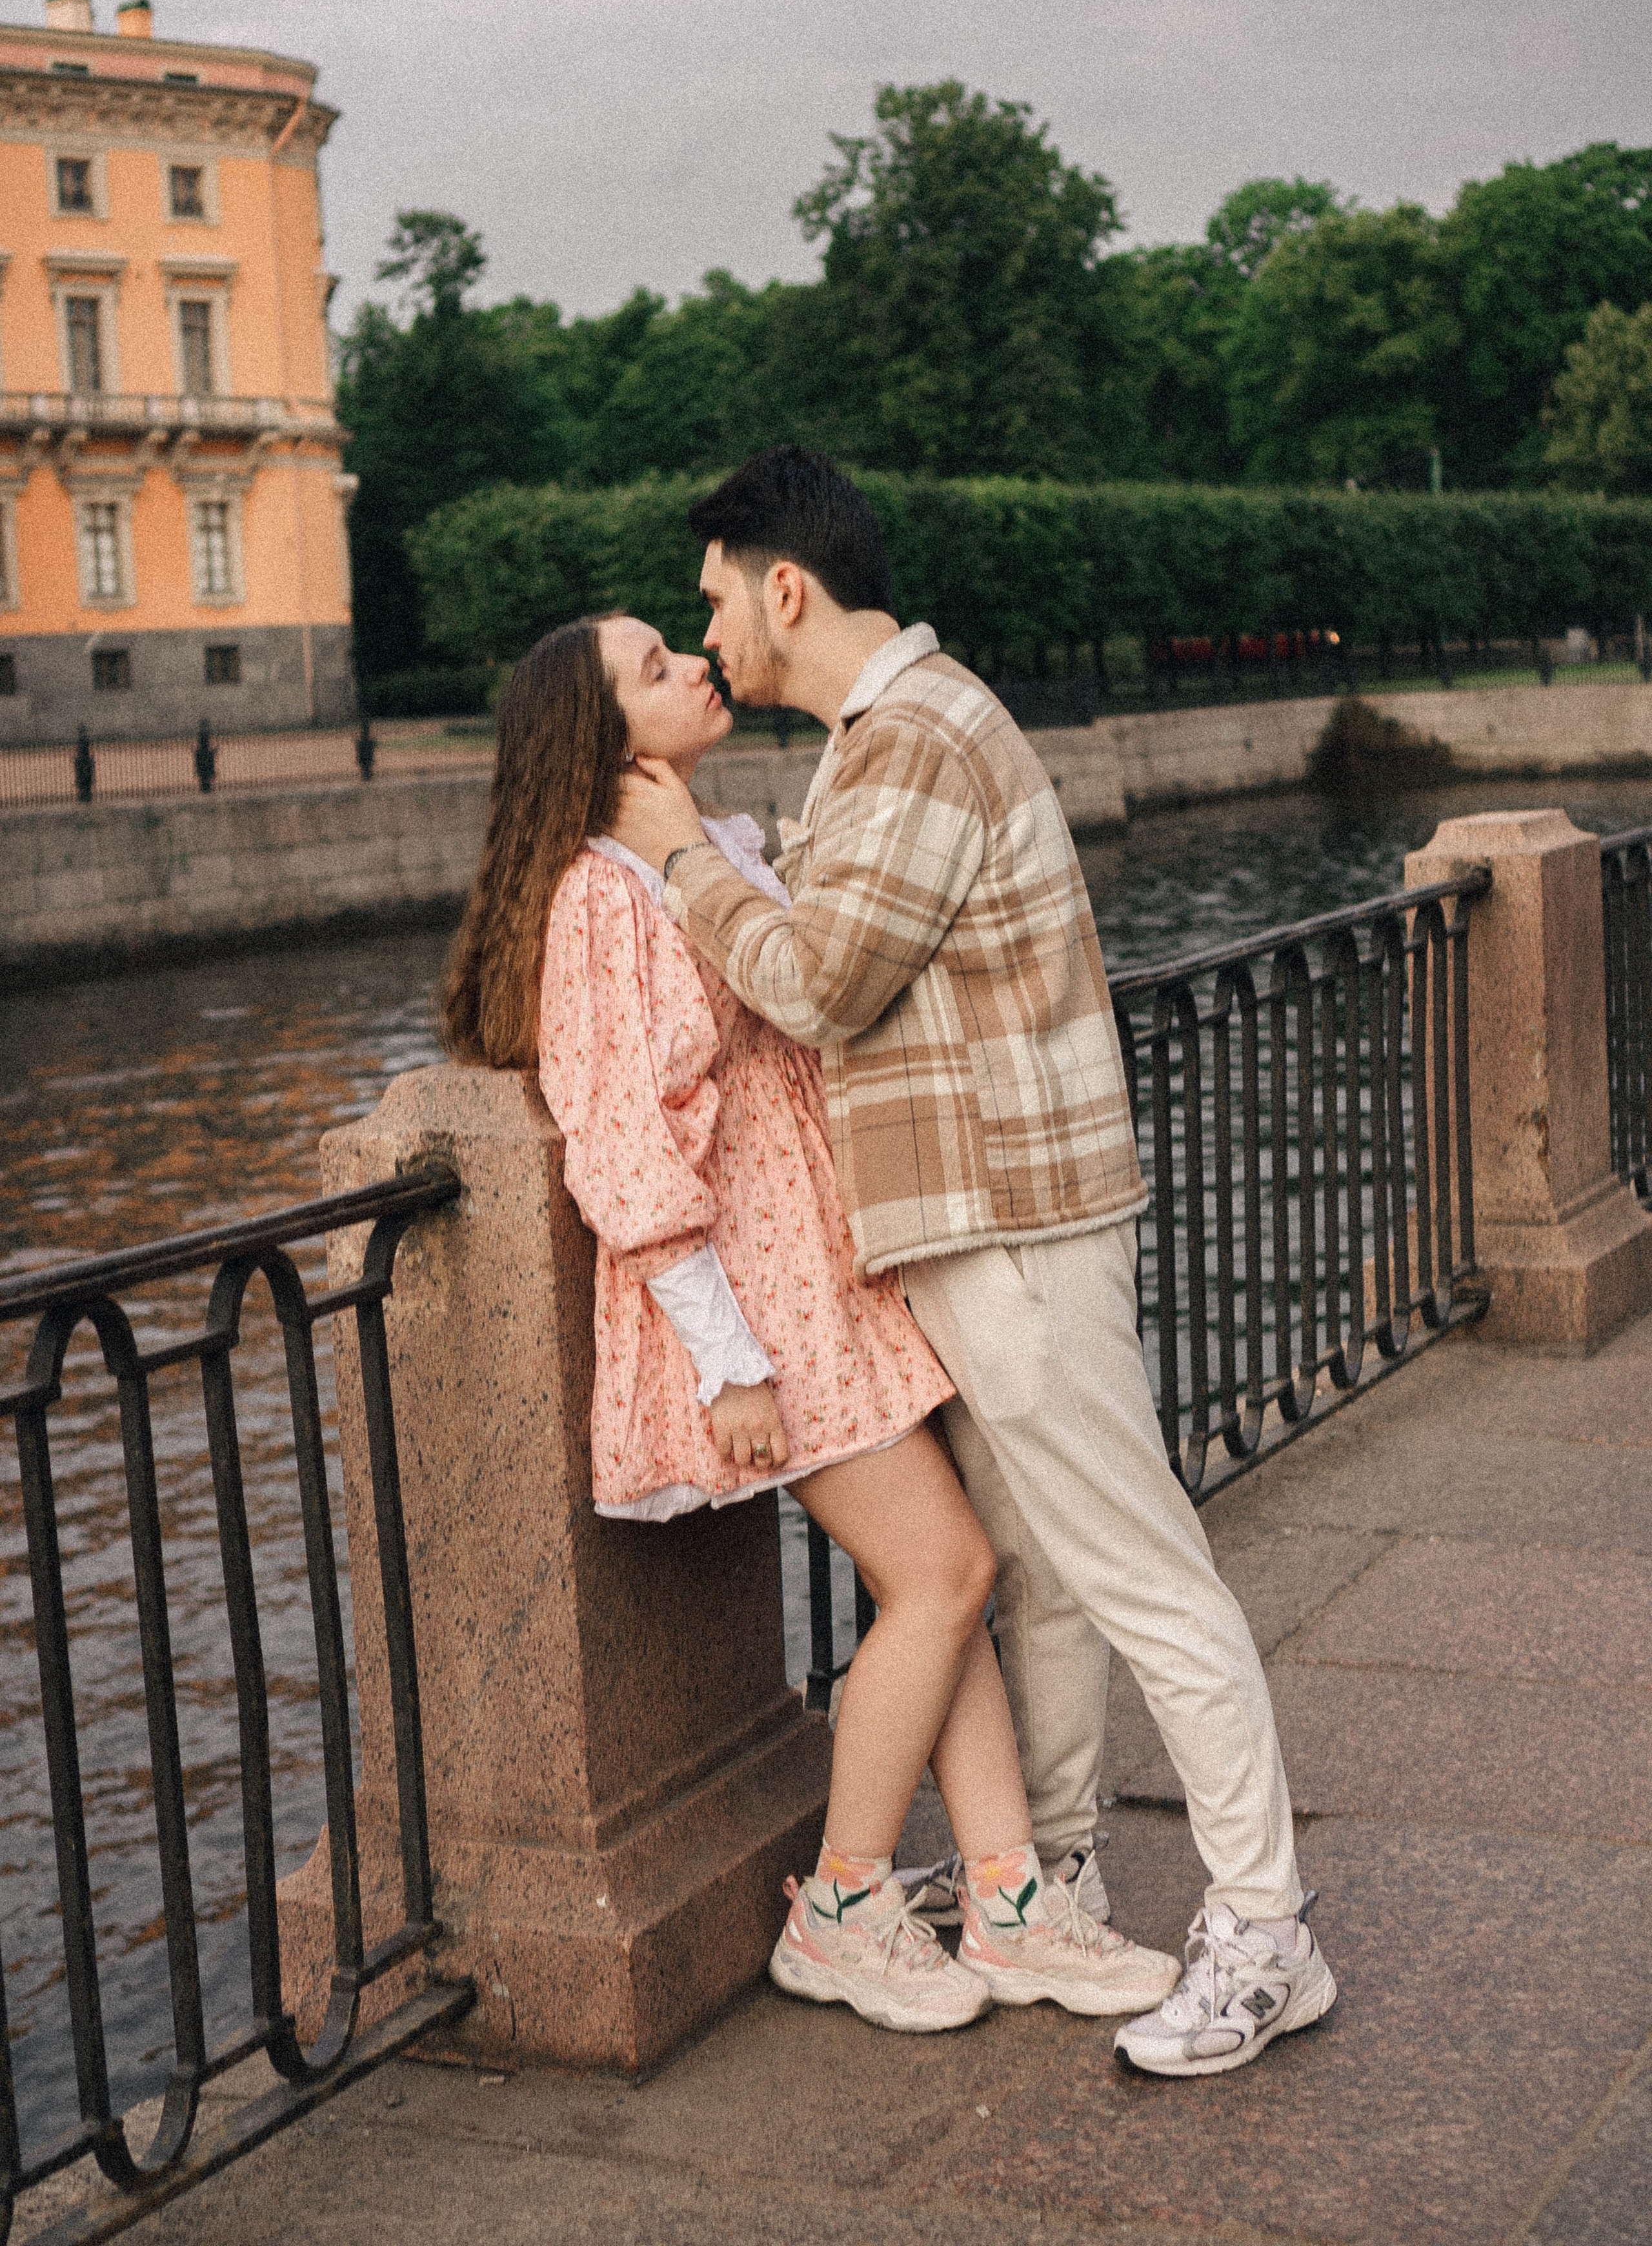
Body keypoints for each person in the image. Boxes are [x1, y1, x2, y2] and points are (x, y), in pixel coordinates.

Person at [610, 445, 1338, 2078]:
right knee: (1061, 1578)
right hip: (986, 1222)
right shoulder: (898, 736)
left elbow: (818, 982)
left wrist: (678, 859)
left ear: (781, 586)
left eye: (712, 599)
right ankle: (1052, 1871)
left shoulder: (915, 741)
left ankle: (1264, 1929)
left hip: (1011, 1227)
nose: (707, 632)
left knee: (1142, 1572)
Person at [438, 612, 1180, 2038]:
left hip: (829, 1273)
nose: (692, 669)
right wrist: (722, 1358)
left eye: (678, 646)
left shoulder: (705, 848)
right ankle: (841, 1906)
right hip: (761, 1307)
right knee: (947, 1571)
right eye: (654, 669)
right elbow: (617, 1146)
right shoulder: (597, 902)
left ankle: (1009, 1898)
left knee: (946, 1580)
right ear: (599, 745)